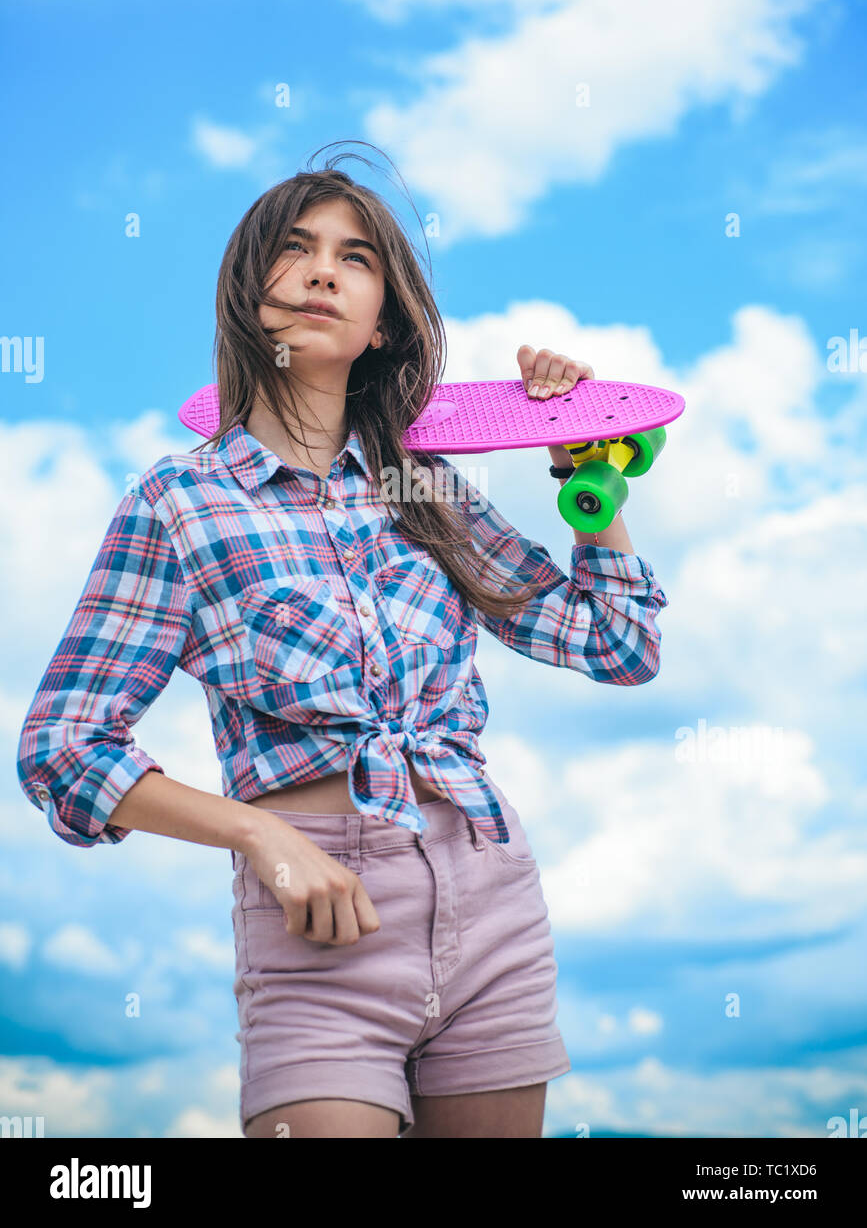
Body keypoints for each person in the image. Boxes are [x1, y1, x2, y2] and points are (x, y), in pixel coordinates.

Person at [16, 142, 669, 1139]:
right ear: (250, 291)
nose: (324, 269)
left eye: (356, 257)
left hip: (487, 893)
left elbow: (618, 645)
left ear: (381, 325)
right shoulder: (178, 507)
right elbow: (64, 747)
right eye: (296, 248)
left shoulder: (428, 491)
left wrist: (590, 473)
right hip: (317, 933)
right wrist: (260, 834)